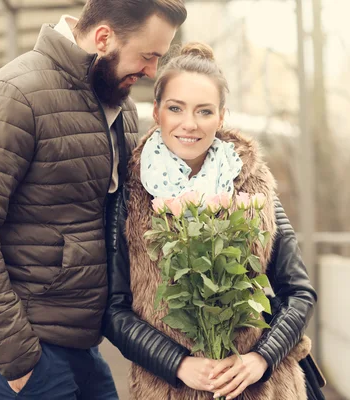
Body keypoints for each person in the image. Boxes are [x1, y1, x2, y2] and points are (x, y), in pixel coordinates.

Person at [0, 1, 188, 398]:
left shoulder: (120, 107)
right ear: (103, 38)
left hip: (78, 341)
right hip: (17, 342)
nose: (152, 71)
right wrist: (16, 356)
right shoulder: (13, 93)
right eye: (148, 55)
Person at [103, 42, 317, 400]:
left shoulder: (254, 183)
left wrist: (260, 359)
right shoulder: (129, 190)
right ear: (157, 112)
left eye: (204, 111)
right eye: (176, 108)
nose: (190, 124)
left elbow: (298, 292)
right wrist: (179, 363)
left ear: (221, 117)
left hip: (261, 388)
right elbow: (114, 310)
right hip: (168, 389)